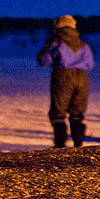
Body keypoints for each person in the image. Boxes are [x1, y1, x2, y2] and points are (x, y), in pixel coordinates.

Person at [37, 15, 94, 148]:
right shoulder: (83, 44)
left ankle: (60, 145)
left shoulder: (56, 42)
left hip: (62, 76)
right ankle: (78, 144)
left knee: (58, 113)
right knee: (77, 113)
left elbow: (44, 61)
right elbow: (90, 64)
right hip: (82, 77)